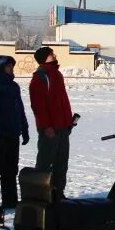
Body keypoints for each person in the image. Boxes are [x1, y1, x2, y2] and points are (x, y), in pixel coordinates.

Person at [0, 55, 30, 209]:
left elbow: (19, 109)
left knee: (11, 168)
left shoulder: (14, 86)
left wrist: (24, 128)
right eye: (8, 66)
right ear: (0, 68)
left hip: (13, 133)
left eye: (12, 66)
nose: (11, 69)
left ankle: (10, 200)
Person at [30, 46, 74, 200]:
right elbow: (38, 106)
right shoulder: (41, 77)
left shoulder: (57, 75)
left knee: (61, 163)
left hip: (63, 128)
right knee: (45, 163)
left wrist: (69, 122)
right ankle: (40, 195)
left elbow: (63, 102)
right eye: (51, 54)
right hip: (50, 129)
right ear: (44, 59)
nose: (54, 55)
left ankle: (58, 192)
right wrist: (46, 126)